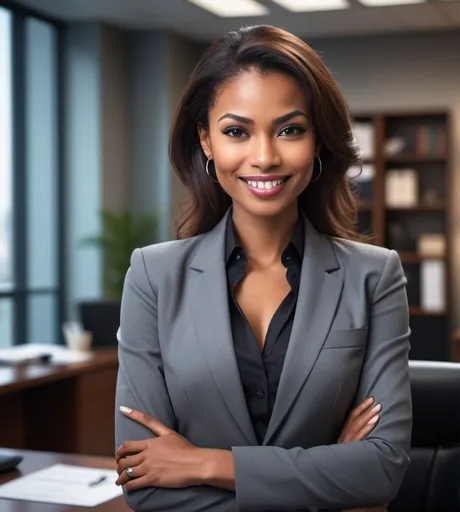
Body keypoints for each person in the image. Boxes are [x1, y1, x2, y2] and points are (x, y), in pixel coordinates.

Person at [114, 24, 412, 512]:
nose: (265, 157)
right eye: (237, 131)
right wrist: (327, 478)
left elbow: (381, 467)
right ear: (207, 141)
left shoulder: (374, 276)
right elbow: (143, 482)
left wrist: (206, 464)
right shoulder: (152, 276)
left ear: (318, 142)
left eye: (290, 129)